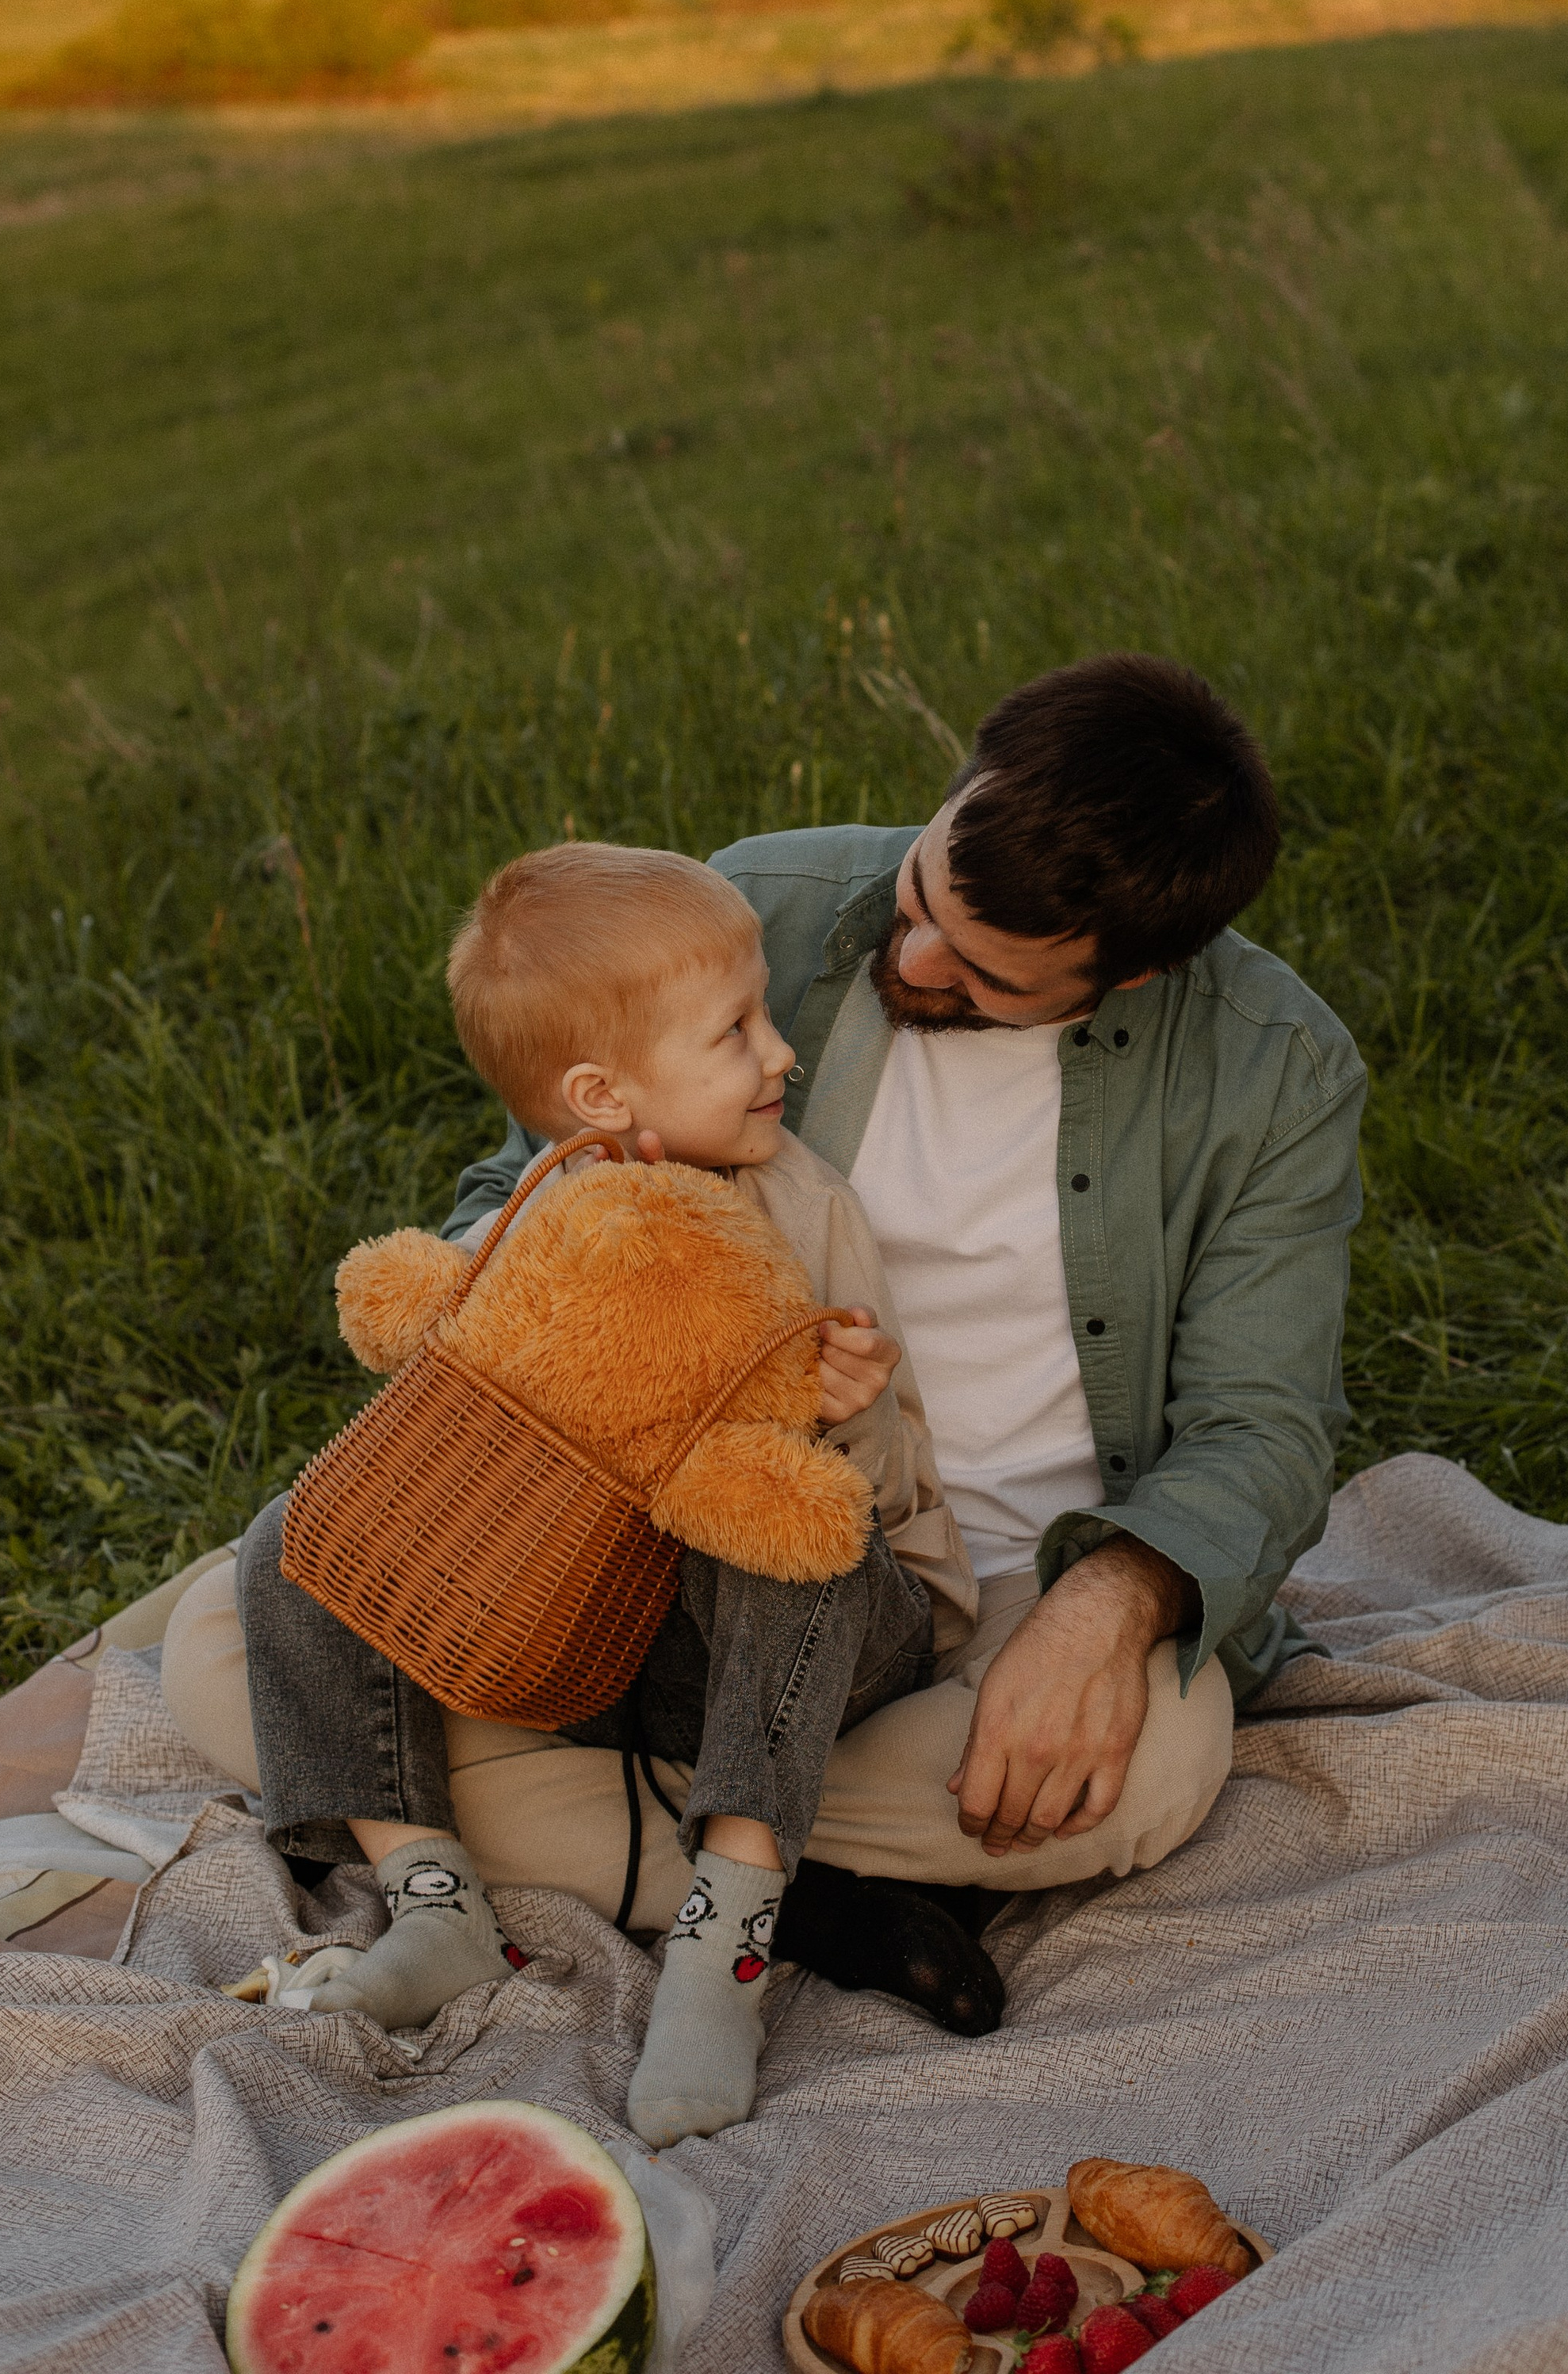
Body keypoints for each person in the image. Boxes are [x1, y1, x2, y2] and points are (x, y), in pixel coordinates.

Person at [165, 652, 1365, 2053]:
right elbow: (505, 1195)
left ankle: (578, 1834)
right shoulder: (748, 911)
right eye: (921, 897)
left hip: (943, 1608)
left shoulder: (1277, 1070)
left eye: (984, 975)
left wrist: (1112, 1606)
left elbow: (1265, 1429)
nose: (913, 962)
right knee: (241, 1613)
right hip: (620, 1554)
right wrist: (582, 1258)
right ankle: (788, 1885)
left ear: (1134, 975)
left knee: (1151, 1766)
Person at [217, 840, 972, 2146]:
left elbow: (873, 1508)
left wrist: (837, 1414)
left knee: (798, 1550)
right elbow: (462, 1432)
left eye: (768, 1017)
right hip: (588, 1641)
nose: (782, 1054)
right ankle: (433, 1899)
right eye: (735, 1031)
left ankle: (724, 1945)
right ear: (598, 1097)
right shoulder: (540, 1213)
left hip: (820, 1639)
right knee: (302, 1538)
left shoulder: (804, 1215)